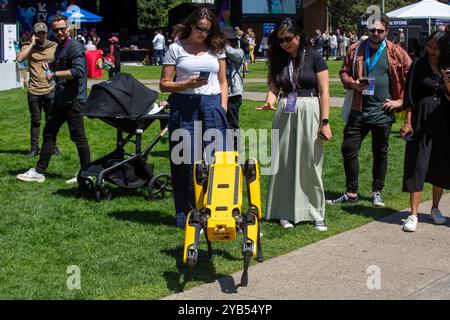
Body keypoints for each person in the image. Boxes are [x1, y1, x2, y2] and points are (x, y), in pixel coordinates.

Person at [328, 14, 412, 207]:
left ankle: (377, 191)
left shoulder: (396, 52)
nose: (376, 33)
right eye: (372, 30)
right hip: (358, 110)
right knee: (348, 148)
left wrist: (401, 100)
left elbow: (411, 77)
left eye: (380, 30)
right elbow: (343, 71)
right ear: (367, 30)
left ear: (387, 31)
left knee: (380, 153)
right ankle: (351, 192)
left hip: (382, 112)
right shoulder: (355, 49)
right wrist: (352, 83)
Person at [257, 18, 332, 231]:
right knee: (284, 162)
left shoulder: (315, 57)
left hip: (310, 108)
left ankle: (315, 212)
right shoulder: (278, 60)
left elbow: (325, 91)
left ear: (298, 36)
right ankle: (283, 212)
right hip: (285, 109)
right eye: (280, 40)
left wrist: (324, 122)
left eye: (288, 39)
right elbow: (274, 88)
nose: (284, 43)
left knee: (311, 160)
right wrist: (269, 102)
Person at [159, 7, 230, 229]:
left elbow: (223, 81)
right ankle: (188, 215)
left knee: (216, 160)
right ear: (191, 25)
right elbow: (163, 84)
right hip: (184, 106)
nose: (203, 33)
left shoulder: (216, 48)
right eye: (199, 28)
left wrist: (223, 106)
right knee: (185, 162)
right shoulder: (175, 48)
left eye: (207, 30)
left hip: (211, 106)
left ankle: (215, 211)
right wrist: (186, 84)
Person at [17, 15, 91, 183]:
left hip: (74, 100)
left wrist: (54, 74)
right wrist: (50, 66)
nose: (59, 32)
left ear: (68, 28)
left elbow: (77, 72)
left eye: (62, 28)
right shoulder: (60, 47)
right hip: (61, 98)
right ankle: (39, 171)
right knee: (49, 132)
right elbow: (60, 64)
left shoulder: (75, 46)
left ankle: (86, 172)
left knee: (78, 136)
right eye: (56, 29)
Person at [400, 31, 450, 232]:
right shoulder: (418, 65)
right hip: (421, 118)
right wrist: (408, 122)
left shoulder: (448, 66)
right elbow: (409, 95)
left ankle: (435, 208)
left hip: (444, 120)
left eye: (436, 48)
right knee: (418, 163)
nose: (432, 51)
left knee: (440, 162)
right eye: (429, 46)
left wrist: (447, 84)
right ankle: (413, 213)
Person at [16, 22, 61, 158]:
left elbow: (61, 60)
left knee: (51, 120)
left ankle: (53, 147)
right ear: (34, 34)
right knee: (35, 120)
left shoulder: (53, 46)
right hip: (34, 90)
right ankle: (34, 148)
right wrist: (31, 44)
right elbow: (19, 58)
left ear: (47, 33)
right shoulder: (27, 47)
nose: (41, 35)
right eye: (38, 33)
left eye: (43, 33)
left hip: (49, 89)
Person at [223, 26, 244, 150]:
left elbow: (234, 54)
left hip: (233, 94)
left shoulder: (238, 51)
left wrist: (223, 45)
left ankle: (234, 151)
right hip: (220, 93)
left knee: (232, 123)